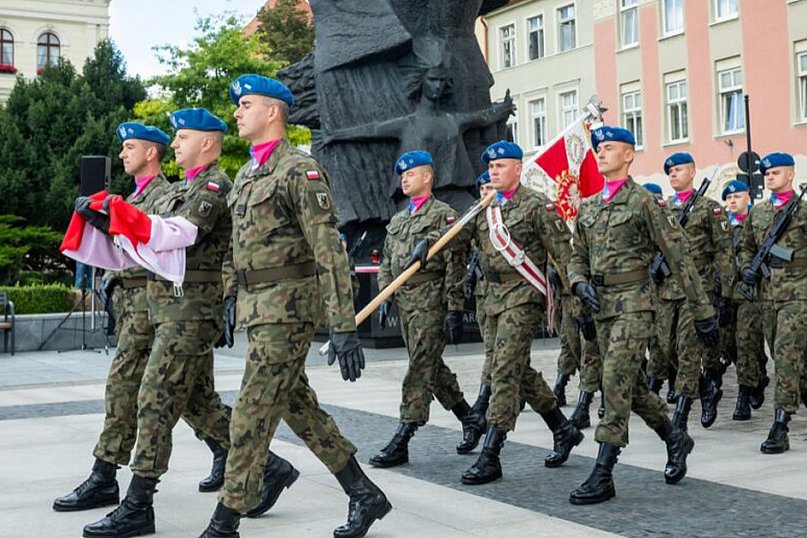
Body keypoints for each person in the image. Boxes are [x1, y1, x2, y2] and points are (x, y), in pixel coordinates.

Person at [198, 74, 390, 538]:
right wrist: (230, 297)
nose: (238, 113)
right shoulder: (246, 175)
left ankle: (225, 522)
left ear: (273, 112)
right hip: (258, 310)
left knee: (250, 413)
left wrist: (343, 327)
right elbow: (234, 248)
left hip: (288, 310)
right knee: (298, 408)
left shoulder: (299, 171)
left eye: (246, 105)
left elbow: (329, 250)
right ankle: (365, 494)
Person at [76, 109, 244, 537]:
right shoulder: (183, 190)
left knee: (154, 397)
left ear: (206, 143)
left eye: (182, 137)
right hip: (161, 308)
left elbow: (177, 237)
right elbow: (142, 248)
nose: (176, 145)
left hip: (187, 309)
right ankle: (259, 466)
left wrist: (118, 220)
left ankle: (138, 500)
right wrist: (108, 227)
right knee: (187, 400)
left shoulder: (211, 187)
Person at [415, 140, 584, 485]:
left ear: (518, 169)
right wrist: (429, 242)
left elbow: (565, 257)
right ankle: (561, 428)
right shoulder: (484, 208)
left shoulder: (537, 206)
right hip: (489, 298)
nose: (494, 172)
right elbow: (456, 237)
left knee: (503, 372)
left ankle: (492, 453)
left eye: (501, 166)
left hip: (523, 295)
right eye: (491, 168)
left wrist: (577, 304)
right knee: (514, 368)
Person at [567, 126, 718, 505]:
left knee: (614, 379)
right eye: (598, 148)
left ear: (629, 155)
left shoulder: (644, 203)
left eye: (610, 148)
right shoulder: (589, 206)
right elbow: (575, 256)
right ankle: (674, 437)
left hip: (635, 303)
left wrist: (703, 311)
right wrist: (578, 284)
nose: (601, 154)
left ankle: (603, 472)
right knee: (629, 387)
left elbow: (678, 257)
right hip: (600, 305)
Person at [369, 150, 484, 467]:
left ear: (428, 177)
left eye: (411, 173)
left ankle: (404, 436)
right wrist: (385, 296)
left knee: (419, 370)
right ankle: (470, 418)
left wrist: (455, 308)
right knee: (431, 368)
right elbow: (387, 262)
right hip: (406, 305)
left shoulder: (443, 216)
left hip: (431, 303)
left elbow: (455, 264)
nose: (404, 178)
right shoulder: (398, 219)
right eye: (402, 174)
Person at [654, 153, 733, 430]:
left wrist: (725, 294)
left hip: (697, 290)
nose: (674, 174)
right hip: (666, 291)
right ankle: (706, 388)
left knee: (688, 350)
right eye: (670, 171)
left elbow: (724, 253)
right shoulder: (660, 209)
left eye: (679, 169)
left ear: (692, 171)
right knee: (666, 349)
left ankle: (681, 418)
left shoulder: (709, 209)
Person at [741, 152, 807, 454]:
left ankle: (781, 424)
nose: (770, 178)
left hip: (798, 293)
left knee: (785, 353)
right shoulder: (759, 213)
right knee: (789, 360)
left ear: (791, 175)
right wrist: (747, 269)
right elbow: (746, 246)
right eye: (766, 174)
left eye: (776, 173)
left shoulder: (802, 212)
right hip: (767, 296)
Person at [721, 179, 769, 420]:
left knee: (746, 341)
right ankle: (758, 372)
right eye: (729, 198)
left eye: (737, 196)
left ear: (748, 197)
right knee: (727, 343)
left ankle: (744, 395)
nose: (732, 201)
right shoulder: (722, 226)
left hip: (751, 293)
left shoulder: (760, 220)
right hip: (727, 294)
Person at [642, 182, 676, 403]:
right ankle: (653, 384)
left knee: (666, 340)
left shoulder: (667, 222)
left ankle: (669, 382)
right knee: (652, 341)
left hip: (668, 291)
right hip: (645, 290)